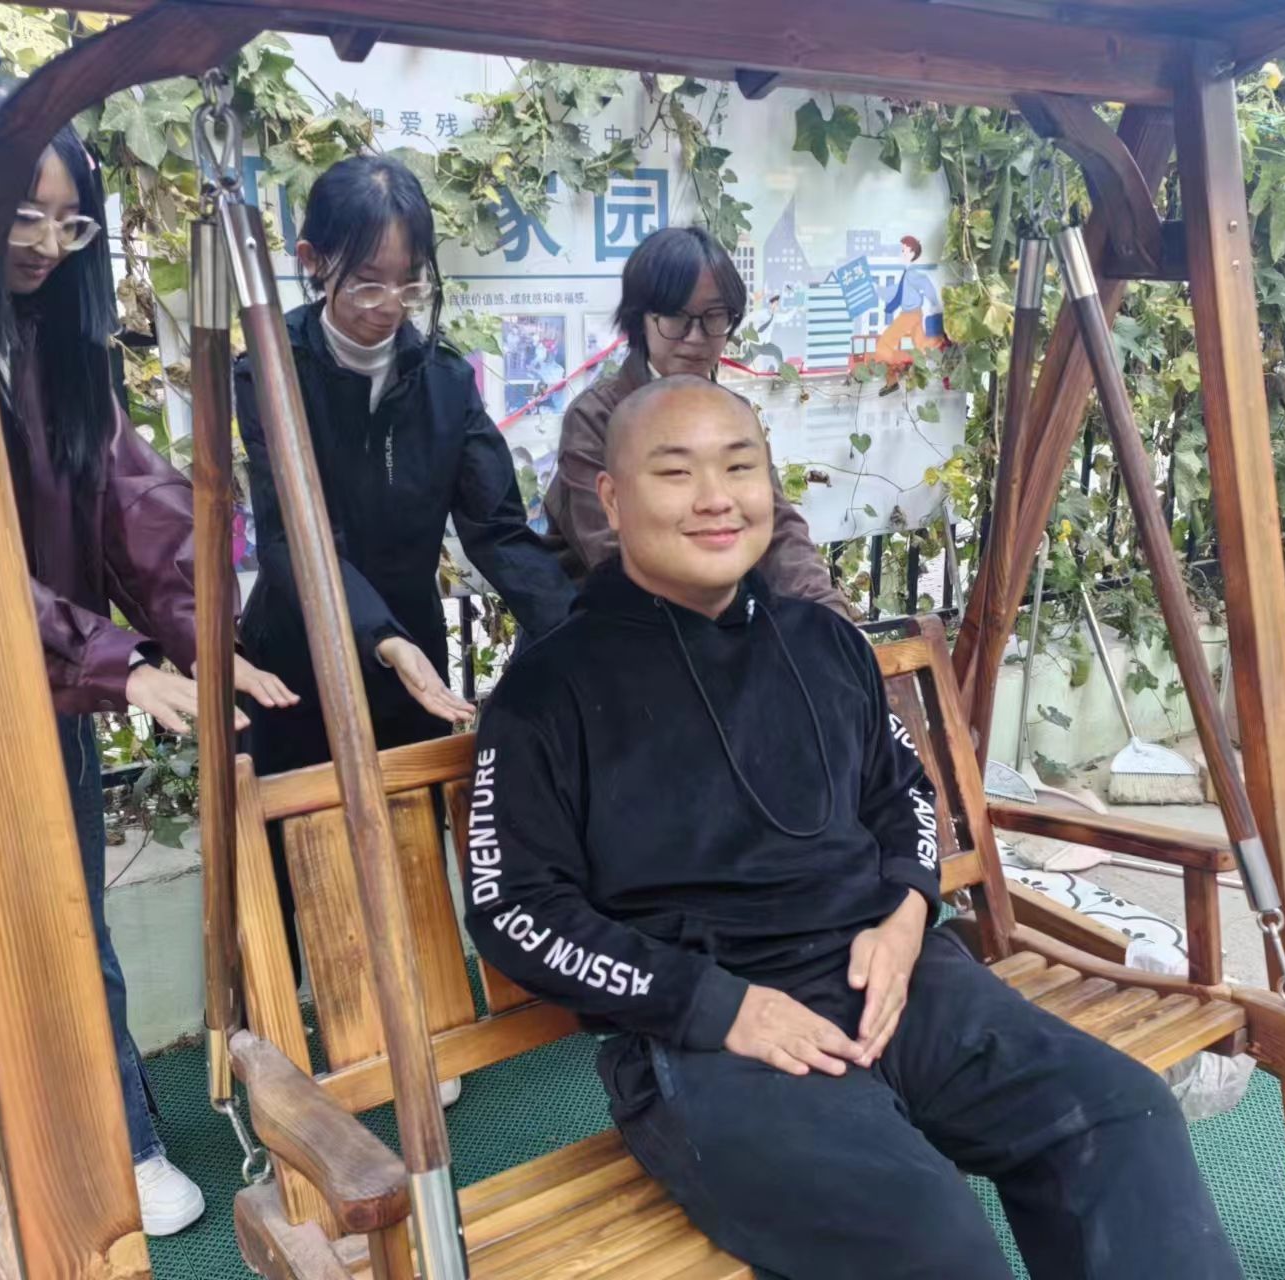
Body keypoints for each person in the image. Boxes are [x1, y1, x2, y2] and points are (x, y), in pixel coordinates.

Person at [465, 376, 1243, 1280]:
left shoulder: (823, 642)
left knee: (1118, 1113)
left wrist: (908, 915)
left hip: (899, 978)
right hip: (707, 1037)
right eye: (675, 473)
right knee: (929, 1238)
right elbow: (514, 909)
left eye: (740, 467)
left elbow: (902, 794)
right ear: (609, 497)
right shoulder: (548, 690)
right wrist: (718, 1006)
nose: (716, 498)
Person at [0, 75, 298, 1247]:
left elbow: (134, 507)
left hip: (51, 689)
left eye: (71, 223)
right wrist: (117, 664)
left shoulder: (54, 343)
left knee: (75, 922)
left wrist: (207, 640)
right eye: (23, 214)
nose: (48, 246)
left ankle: (123, 1140)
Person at [233, 158, 575, 1109]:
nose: (389, 306)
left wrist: (580, 633)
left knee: (408, 839)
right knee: (290, 848)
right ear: (313, 262)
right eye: (367, 283)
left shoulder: (445, 379)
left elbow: (497, 530)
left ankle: (419, 1018)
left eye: (408, 283)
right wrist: (380, 637)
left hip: (409, 656)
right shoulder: (269, 369)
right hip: (295, 655)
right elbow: (296, 537)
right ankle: (284, 1031)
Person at [541, 225, 851, 619]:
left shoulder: (733, 414)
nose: (695, 337)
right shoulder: (596, 417)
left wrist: (830, 618)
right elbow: (610, 553)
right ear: (640, 318)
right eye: (675, 316)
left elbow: (779, 529)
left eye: (713, 316)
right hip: (612, 630)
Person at [872, 234, 943, 392]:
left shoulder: (912, 274)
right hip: (914, 314)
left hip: (910, 315)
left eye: (904, 250)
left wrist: (935, 303)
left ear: (912, 253)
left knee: (884, 344)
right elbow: (895, 292)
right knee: (922, 344)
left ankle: (892, 380)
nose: (901, 253)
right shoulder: (907, 274)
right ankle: (941, 346)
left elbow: (925, 284)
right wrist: (877, 289)